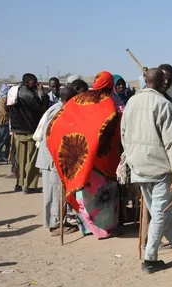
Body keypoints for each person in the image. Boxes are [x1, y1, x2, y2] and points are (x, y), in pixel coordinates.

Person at [121, 68, 172, 272]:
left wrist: (130, 157)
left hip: (137, 166)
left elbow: (123, 133)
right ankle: (150, 258)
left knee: (167, 211)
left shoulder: (131, 101)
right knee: (160, 213)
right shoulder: (163, 104)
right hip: (160, 168)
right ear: (161, 81)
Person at [47, 71, 123, 238]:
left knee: (85, 193)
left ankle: (86, 227)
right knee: (103, 195)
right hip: (103, 159)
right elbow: (110, 129)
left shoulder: (77, 100)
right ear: (110, 85)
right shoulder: (108, 102)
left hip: (82, 156)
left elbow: (59, 123)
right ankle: (104, 230)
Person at [33, 86, 78, 236]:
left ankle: (55, 221)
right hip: (52, 159)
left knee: (54, 192)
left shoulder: (60, 109)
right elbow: (51, 137)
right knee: (55, 192)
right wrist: (56, 159)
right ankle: (56, 224)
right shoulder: (58, 112)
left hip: (52, 158)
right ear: (67, 99)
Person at [9, 73, 49, 193]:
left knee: (20, 160)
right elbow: (43, 108)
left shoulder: (13, 91)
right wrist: (43, 95)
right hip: (31, 130)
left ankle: (19, 184)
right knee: (32, 160)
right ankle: (30, 185)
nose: (36, 84)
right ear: (28, 82)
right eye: (34, 82)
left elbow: (8, 108)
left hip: (18, 130)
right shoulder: (31, 95)